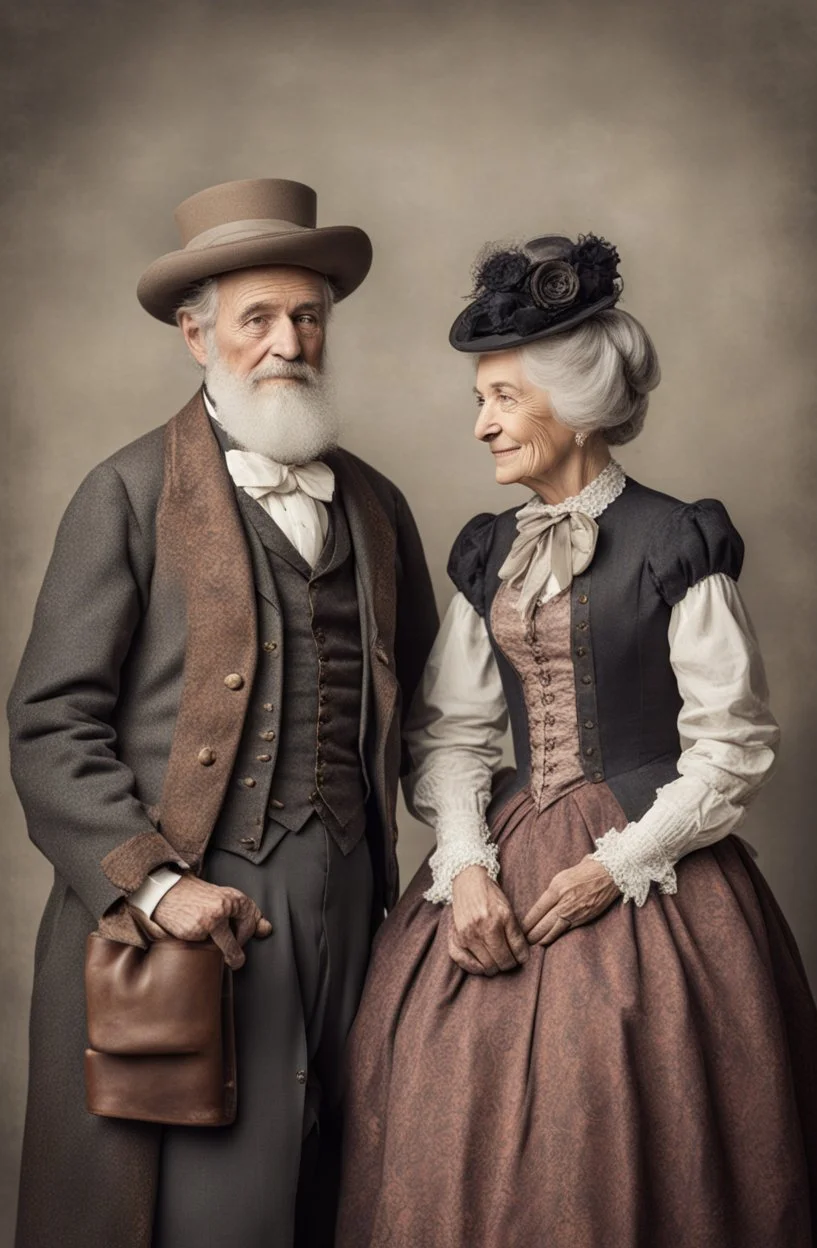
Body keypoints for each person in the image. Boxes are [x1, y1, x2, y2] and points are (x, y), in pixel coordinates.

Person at [336, 234, 817, 1246]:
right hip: (508, 854)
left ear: (576, 404)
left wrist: (622, 863)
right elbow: (456, 734)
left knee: (629, 1125)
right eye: (479, 398)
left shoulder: (674, 543)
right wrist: (467, 870)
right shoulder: (489, 554)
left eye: (503, 397)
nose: (480, 425)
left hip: (657, 866)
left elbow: (731, 743)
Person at [9, 177, 438, 1248]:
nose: (288, 341)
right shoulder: (124, 491)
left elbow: (431, 711)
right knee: (205, 1210)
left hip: (354, 901)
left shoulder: (379, 507)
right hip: (192, 913)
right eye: (258, 318)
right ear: (196, 337)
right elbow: (50, 725)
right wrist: (158, 885)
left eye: (308, 316)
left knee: (335, 1190)